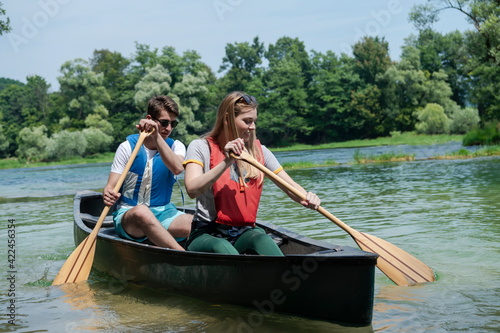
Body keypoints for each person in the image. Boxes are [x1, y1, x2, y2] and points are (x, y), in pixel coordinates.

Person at [183, 91, 321, 255]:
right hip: (206, 233)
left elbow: (291, 186)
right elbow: (192, 189)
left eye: (254, 121)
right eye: (247, 121)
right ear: (227, 119)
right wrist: (227, 161)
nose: (253, 127)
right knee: (222, 247)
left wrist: (307, 197)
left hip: (243, 232)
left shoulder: (259, 152)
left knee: (262, 239)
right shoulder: (199, 147)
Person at [103, 95, 192, 251]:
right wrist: (107, 194)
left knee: (198, 224)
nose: (169, 128)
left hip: (164, 213)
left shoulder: (176, 146)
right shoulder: (126, 147)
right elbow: (110, 187)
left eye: (173, 123)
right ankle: (182, 255)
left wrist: (156, 136)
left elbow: (177, 168)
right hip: (130, 217)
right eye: (164, 123)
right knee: (142, 212)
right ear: (150, 119)